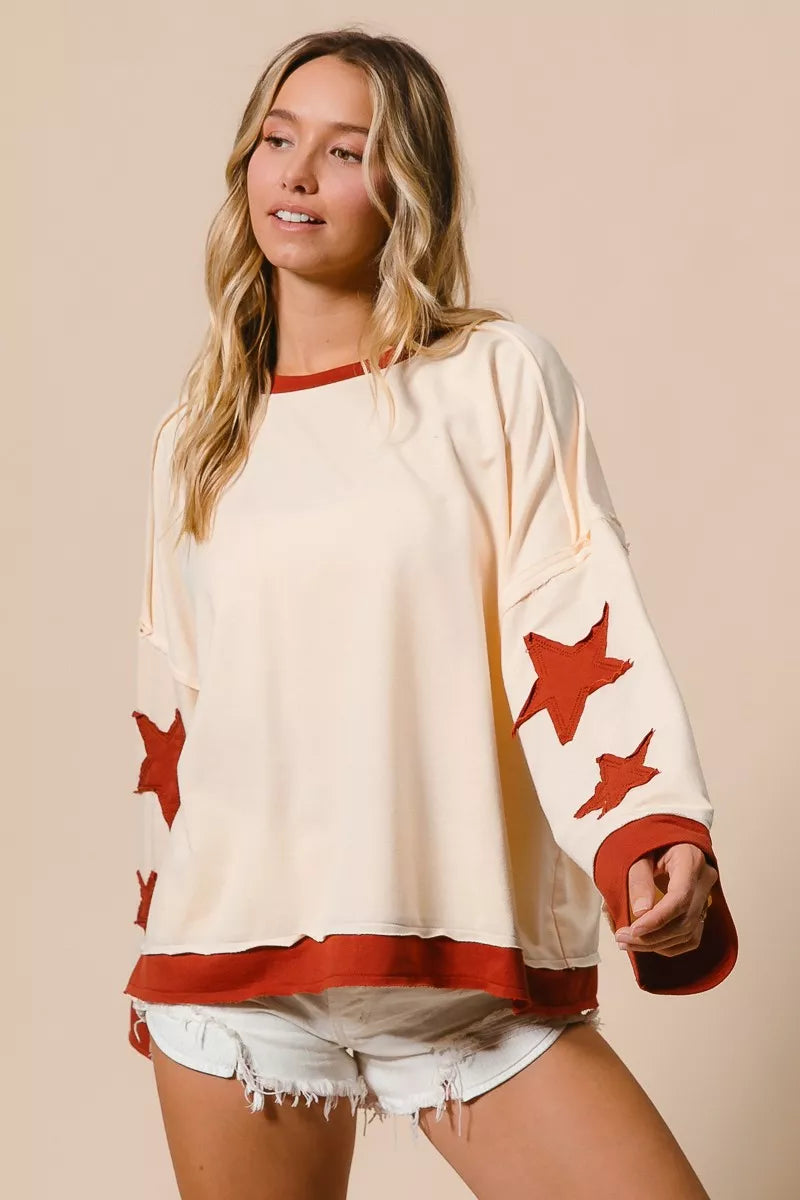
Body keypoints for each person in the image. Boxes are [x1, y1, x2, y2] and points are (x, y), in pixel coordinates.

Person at [122, 26, 738, 1199]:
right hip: (235, 975)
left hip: (460, 959)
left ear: (404, 186)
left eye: (345, 150)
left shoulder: (493, 378)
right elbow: (174, 710)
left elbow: (573, 606)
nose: (298, 175)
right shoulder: (194, 439)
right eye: (277, 139)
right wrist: (154, 926)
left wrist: (646, 824)